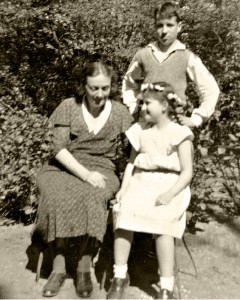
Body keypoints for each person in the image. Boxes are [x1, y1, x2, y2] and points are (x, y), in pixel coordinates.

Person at [34, 61, 132, 298]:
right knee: (55, 194)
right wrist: (85, 174)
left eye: (105, 89)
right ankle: (58, 267)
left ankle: (84, 266)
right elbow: (58, 148)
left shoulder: (120, 112)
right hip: (64, 167)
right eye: (93, 88)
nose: (99, 95)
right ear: (83, 86)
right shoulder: (68, 106)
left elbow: (133, 150)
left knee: (93, 196)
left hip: (103, 169)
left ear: (112, 87)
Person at [107, 82, 194, 299]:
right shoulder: (140, 131)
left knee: (163, 222)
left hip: (169, 185)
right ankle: (119, 274)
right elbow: (131, 164)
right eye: (141, 103)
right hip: (141, 182)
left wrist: (170, 193)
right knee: (124, 212)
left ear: (164, 105)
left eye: (147, 103)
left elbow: (187, 172)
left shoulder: (180, 133)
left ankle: (166, 284)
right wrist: (123, 190)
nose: (142, 108)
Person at [122, 2, 220, 127]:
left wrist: (196, 119)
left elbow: (211, 90)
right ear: (154, 26)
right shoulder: (143, 55)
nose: (164, 31)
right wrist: (134, 109)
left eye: (169, 25)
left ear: (179, 26)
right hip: (146, 130)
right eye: (159, 25)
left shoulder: (187, 57)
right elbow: (128, 85)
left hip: (175, 130)